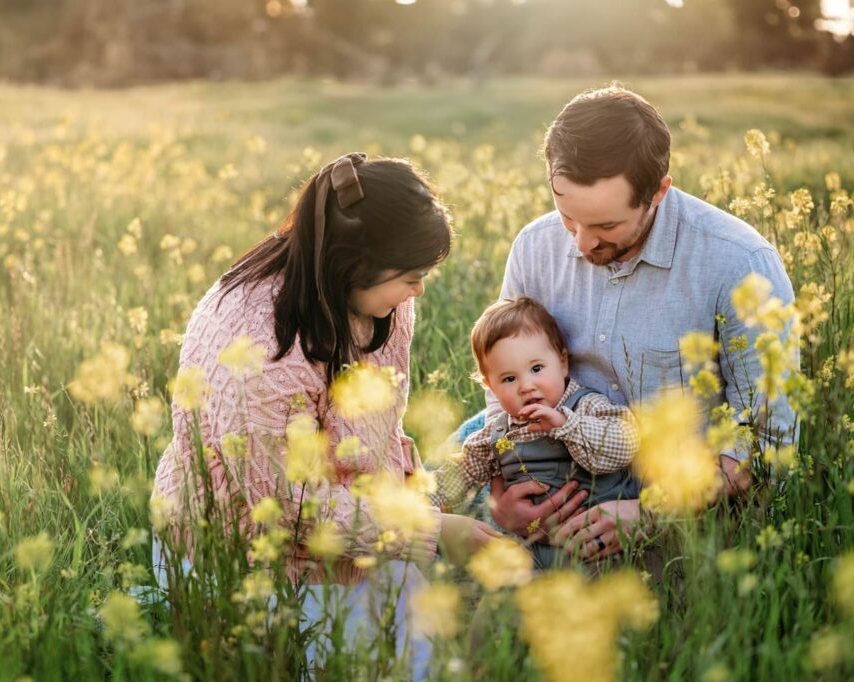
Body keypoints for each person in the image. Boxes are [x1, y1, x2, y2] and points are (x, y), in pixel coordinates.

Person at [151, 153, 500, 675]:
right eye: (411, 275)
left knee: (422, 655)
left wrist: (414, 502)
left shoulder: (380, 300)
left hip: (349, 532)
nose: (419, 290)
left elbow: (381, 424)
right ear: (353, 262)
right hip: (246, 551)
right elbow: (288, 509)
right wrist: (429, 531)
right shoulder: (259, 347)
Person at [478, 85, 797, 562]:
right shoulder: (533, 247)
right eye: (569, 218)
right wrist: (501, 499)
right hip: (551, 509)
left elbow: (768, 441)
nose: (583, 244)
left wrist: (650, 513)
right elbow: (499, 382)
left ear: (658, 192)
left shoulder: (739, 263)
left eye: (606, 227)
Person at [433, 297, 640, 569]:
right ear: (491, 386)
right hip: (530, 559)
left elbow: (624, 446)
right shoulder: (497, 434)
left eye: (536, 369)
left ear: (562, 363)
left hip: (597, 553)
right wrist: (424, 505)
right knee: (499, 605)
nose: (526, 386)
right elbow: (459, 475)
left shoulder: (585, 406)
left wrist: (566, 426)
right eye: (509, 379)